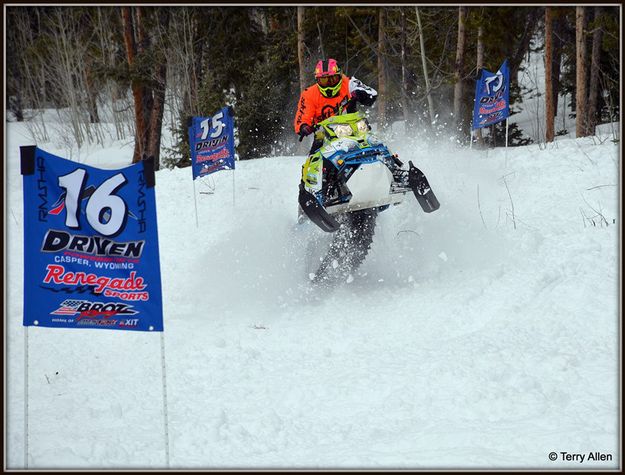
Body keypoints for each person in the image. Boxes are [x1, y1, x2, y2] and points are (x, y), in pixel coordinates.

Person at [294, 58, 378, 154]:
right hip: (323, 131)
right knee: (316, 154)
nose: (328, 85)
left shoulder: (350, 83)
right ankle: (315, 166)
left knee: (371, 139)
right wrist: (304, 126)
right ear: (317, 80)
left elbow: (372, 93)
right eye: (324, 81)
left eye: (332, 79)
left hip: (353, 125)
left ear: (339, 76)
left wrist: (361, 94)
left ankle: (391, 160)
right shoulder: (309, 94)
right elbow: (303, 115)